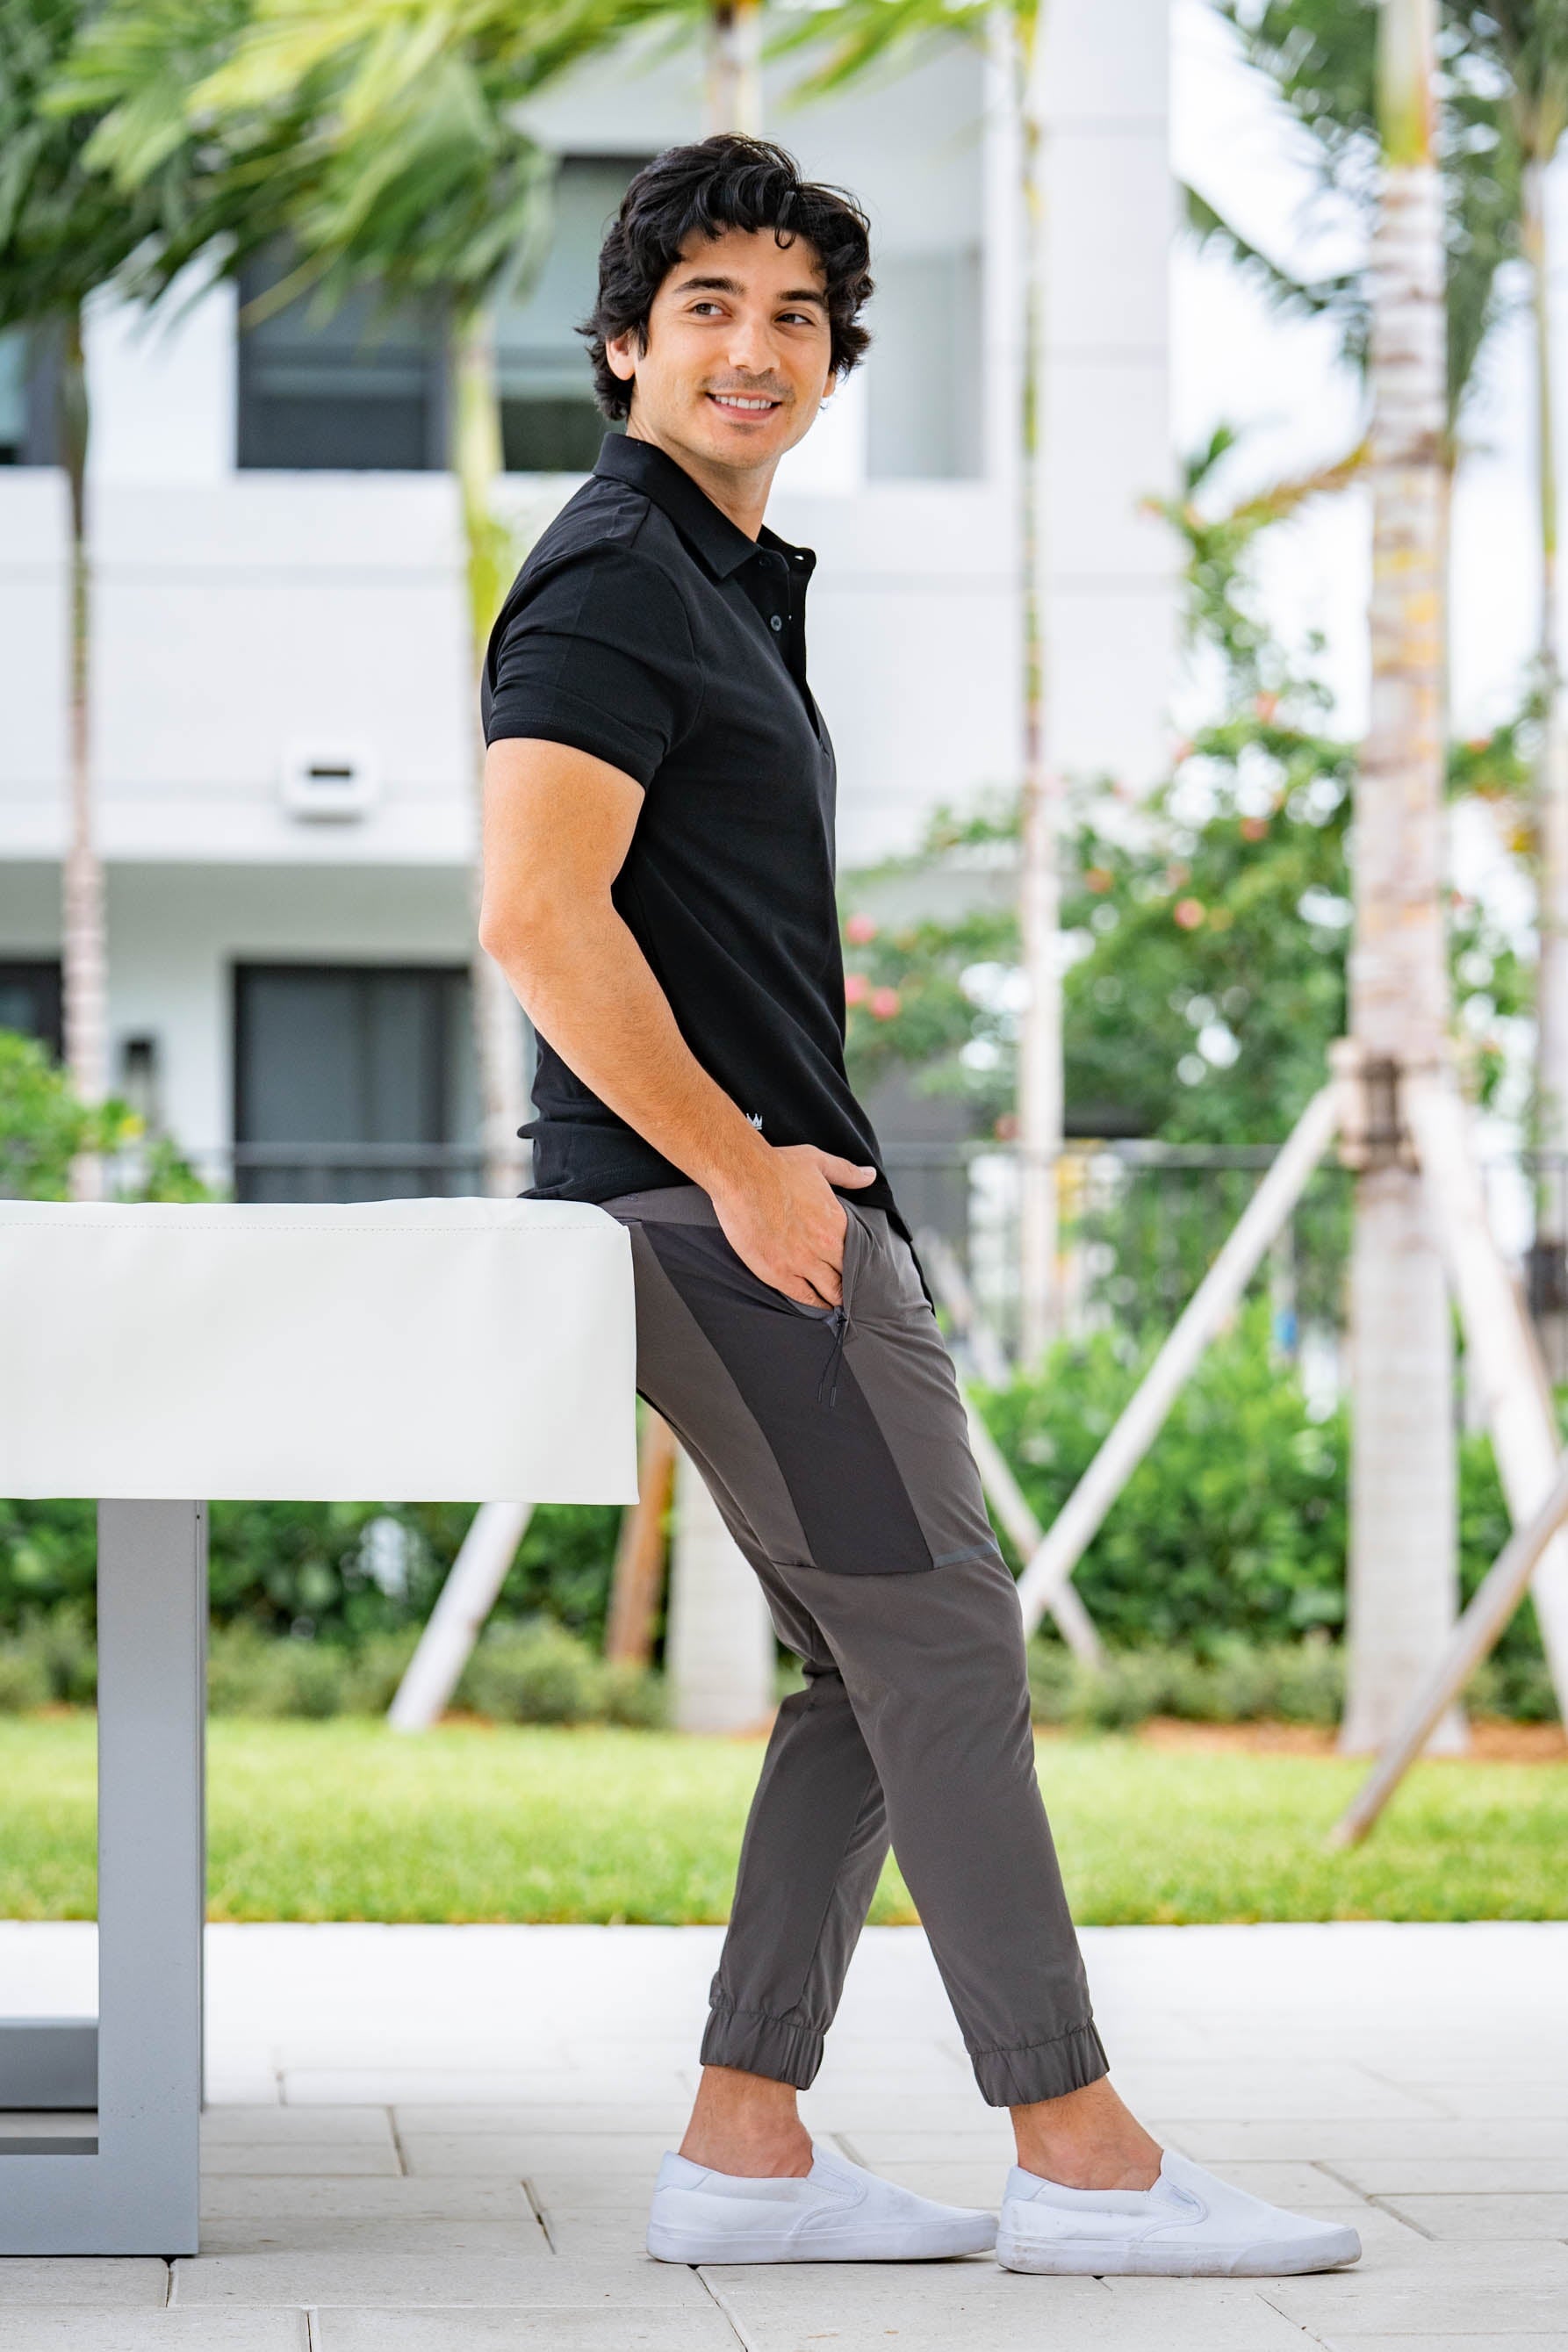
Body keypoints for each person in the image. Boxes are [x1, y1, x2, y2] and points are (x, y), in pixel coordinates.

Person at [478, 133, 1359, 2281]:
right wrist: (741, 1166)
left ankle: (743, 2138)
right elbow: (534, 908)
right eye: (706, 307)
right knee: (945, 1634)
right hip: (715, 1213)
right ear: (621, 346)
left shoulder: (716, 583)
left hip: (751, 1195)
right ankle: (1076, 2147)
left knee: (865, 1668)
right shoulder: (611, 571)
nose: (754, 348)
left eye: (795, 316)